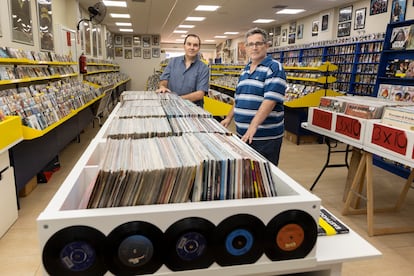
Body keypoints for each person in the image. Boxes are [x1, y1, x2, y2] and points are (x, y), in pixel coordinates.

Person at [221, 27, 287, 166]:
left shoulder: (274, 68)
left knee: (263, 177)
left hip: (265, 138)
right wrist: (228, 118)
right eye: (250, 44)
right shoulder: (245, 69)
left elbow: (270, 101)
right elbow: (239, 98)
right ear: (245, 47)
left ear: (266, 46)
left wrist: (253, 126)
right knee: (247, 175)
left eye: (258, 43)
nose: (254, 47)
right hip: (243, 135)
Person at [156, 34, 209, 107]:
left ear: (199, 48)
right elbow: (164, 79)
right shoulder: (173, 61)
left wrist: (177, 99)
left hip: (193, 109)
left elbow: (200, 94)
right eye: (189, 44)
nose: (192, 47)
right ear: (184, 46)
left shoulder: (203, 68)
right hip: (171, 106)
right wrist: (162, 87)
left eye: (195, 45)